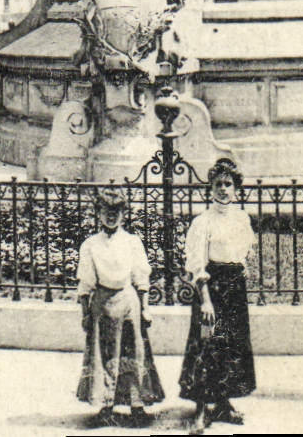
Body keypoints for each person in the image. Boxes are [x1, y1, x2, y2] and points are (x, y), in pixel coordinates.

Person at [75, 186, 164, 427]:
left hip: (128, 302)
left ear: (124, 214)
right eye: (106, 210)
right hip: (102, 305)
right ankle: (106, 406)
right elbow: (86, 282)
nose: (111, 215)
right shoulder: (91, 245)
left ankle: (136, 405)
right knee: (105, 356)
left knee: (133, 352)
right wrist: (85, 312)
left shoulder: (132, 242)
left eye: (116, 211)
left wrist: (145, 308)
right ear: (98, 213)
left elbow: (140, 276)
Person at [178, 157, 256, 431]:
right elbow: (197, 264)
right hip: (211, 289)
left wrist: (243, 268)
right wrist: (206, 300)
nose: (223, 189)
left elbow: (245, 250)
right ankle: (201, 408)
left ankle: (223, 403)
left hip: (235, 289)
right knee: (206, 346)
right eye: (218, 184)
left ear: (236, 189)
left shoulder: (242, 218)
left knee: (231, 347)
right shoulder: (203, 222)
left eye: (228, 184)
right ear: (210, 188)